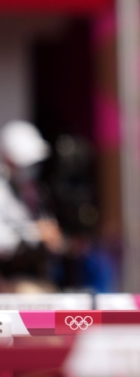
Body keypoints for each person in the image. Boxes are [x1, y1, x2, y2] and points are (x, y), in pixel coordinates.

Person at [0, 120, 65, 292]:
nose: (30, 168)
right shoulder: (2, 189)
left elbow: (49, 232)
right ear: (7, 158)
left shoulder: (35, 191)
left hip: (35, 276)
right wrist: (35, 232)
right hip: (8, 280)